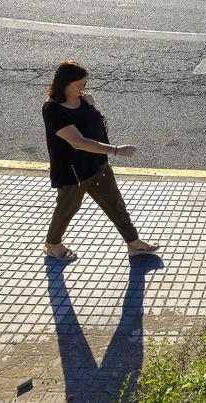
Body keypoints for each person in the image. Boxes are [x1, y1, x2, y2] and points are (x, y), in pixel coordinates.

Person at [42, 60, 159, 261]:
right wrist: (115, 150)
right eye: (79, 84)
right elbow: (77, 142)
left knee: (115, 205)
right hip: (74, 172)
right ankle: (52, 244)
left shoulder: (84, 100)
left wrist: (92, 106)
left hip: (98, 166)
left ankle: (133, 243)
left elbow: (95, 126)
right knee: (67, 209)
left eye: (85, 83)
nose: (83, 88)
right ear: (65, 83)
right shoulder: (52, 110)